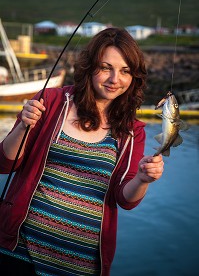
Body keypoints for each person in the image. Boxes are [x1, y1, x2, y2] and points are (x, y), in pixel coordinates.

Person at [0, 27, 164, 276]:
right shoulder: (51, 101)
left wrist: (143, 179)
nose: (114, 79)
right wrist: (23, 125)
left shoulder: (132, 131)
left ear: (134, 77)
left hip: (82, 264)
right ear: (89, 67)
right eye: (106, 67)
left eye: (125, 71)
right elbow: (4, 164)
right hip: (18, 252)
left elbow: (125, 199)